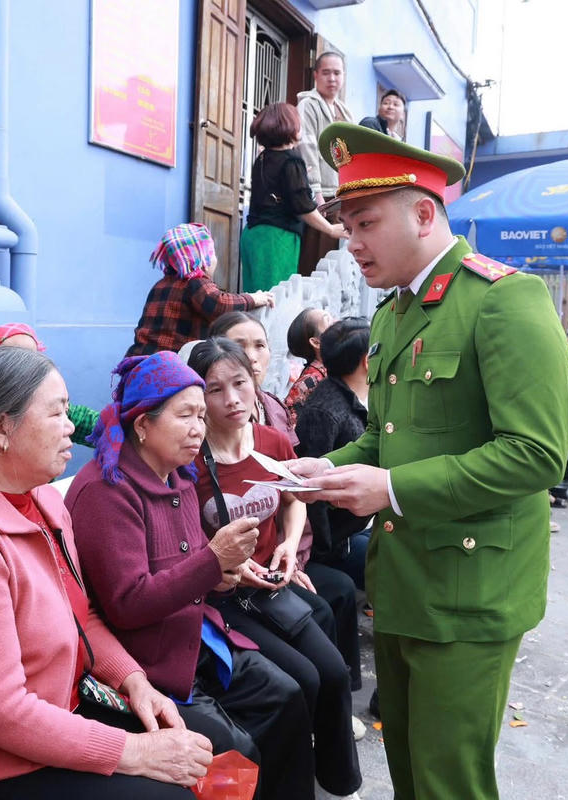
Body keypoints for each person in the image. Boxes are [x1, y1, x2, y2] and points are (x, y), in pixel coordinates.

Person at [286, 122, 568, 800]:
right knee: (412, 772)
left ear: (423, 212)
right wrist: (324, 470)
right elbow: (389, 439)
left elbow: (535, 456)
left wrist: (389, 487)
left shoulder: (503, 299)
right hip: (406, 582)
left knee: (450, 781)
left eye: (363, 222)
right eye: (345, 224)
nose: (349, 241)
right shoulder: (392, 317)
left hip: (473, 589)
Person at [0, 347, 212, 798]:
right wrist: (137, 752)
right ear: (3, 429)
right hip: (1, 765)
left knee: (214, 749)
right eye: (58, 413)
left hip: (68, 709)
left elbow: (81, 616)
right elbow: (1, 714)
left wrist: (136, 682)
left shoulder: (43, 503)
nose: (73, 427)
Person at [65, 351, 315, 800]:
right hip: (149, 663)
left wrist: (229, 570)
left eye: (201, 414)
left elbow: (195, 562)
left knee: (287, 696)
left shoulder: (177, 475)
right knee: (238, 749)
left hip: (197, 638)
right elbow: (127, 604)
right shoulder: (107, 491)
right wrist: (212, 562)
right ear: (142, 425)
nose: (200, 427)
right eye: (186, 415)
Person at [189, 337, 363, 800]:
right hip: (223, 598)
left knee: (335, 672)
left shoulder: (273, 441)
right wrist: (226, 560)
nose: (231, 399)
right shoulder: (190, 461)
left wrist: (288, 543)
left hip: (270, 584)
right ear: (196, 396)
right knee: (302, 680)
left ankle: (338, 781)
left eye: (239, 383)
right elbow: (185, 541)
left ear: (254, 381)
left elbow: (293, 499)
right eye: (214, 389)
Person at [294, 317, 372, 590]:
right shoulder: (324, 412)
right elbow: (309, 494)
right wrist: (327, 549)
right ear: (367, 361)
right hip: (342, 539)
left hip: (366, 520)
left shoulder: (372, 394)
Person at [241, 103, 347, 292]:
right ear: (289, 126)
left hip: (253, 235)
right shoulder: (292, 160)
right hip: (276, 240)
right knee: (274, 302)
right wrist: (330, 229)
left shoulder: (263, 158)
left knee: (255, 300)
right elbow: (302, 207)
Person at [127, 222, 274, 357]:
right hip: (172, 365)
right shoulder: (195, 282)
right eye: (212, 253)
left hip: (141, 358)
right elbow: (220, 304)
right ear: (204, 259)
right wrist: (253, 299)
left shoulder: (159, 285)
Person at [0, 323, 99, 445]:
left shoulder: (51, 407)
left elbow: (89, 423)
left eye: (34, 359)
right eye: (16, 361)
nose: (29, 370)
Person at [295, 52, 354, 276]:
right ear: (316, 75)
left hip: (339, 194)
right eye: (326, 72)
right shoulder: (308, 105)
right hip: (320, 195)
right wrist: (317, 193)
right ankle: (307, 312)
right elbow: (307, 148)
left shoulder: (343, 110)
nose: (332, 78)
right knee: (314, 261)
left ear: (343, 76)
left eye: (337, 73)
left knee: (333, 261)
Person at [209, 310, 298, 449]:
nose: (251, 357)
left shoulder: (275, 406)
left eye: (260, 346)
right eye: (238, 347)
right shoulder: (206, 415)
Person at [284, 307, 334, 426]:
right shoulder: (307, 383)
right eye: (328, 322)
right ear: (316, 342)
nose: (338, 323)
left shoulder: (335, 370)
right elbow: (290, 429)